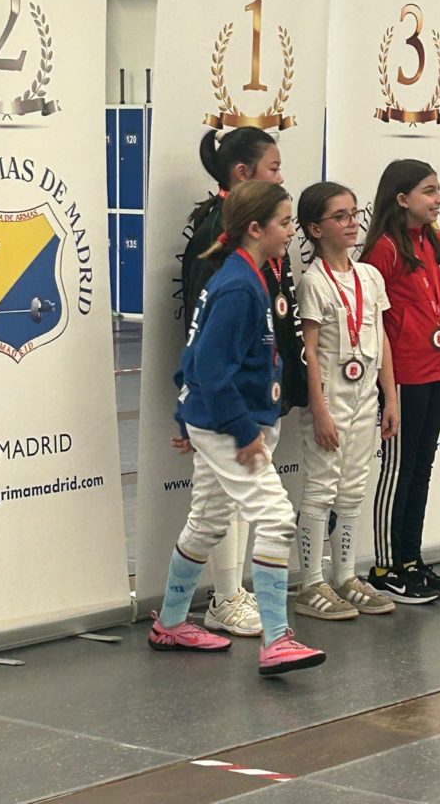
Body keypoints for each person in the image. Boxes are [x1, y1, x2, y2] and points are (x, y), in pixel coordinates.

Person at [150, 181, 325, 676]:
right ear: (255, 228)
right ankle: (277, 639)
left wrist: (187, 417)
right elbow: (207, 366)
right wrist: (241, 431)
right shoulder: (238, 286)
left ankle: (170, 623)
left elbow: (193, 357)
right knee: (276, 517)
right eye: (284, 223)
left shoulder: (243, 277)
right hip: (229, 426)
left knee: (207, 520)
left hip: (219, 421)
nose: (290, 232)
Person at [179, 127, 307, 638]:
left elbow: (276, 314)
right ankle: (243, 610)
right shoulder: (223, 250)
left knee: (213, 513)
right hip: (226, 406)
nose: (280, 175)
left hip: (253, 395)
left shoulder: (261, 250)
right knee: (261, 513)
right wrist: (192, 403)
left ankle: (174, 618)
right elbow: (202, 339)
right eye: (273, 168)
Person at [294, 182, 398, 620]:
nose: (352, 223)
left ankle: (345, 576)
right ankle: (310, 583)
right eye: (340, 216)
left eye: (354, 213)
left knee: (353, 488)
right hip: (330, 402)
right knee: (321, 489)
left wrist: (390, 398)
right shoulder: (313, 283)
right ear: (315, 229)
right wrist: (319, 410)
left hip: (364, 398)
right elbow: (309, 351)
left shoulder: (369, 277)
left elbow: (383, 339)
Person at [361, 160, 440, 605]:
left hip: (439, 370)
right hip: (403, 377)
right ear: (402, 199)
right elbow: (374, 321)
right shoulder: (383, 250)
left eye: (439, 190)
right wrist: (387, 391)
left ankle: (411, 560)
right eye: (429, 191)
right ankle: (385, 568)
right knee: (398, 469)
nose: (438, 198)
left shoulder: (434, 241)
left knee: (422, 467)